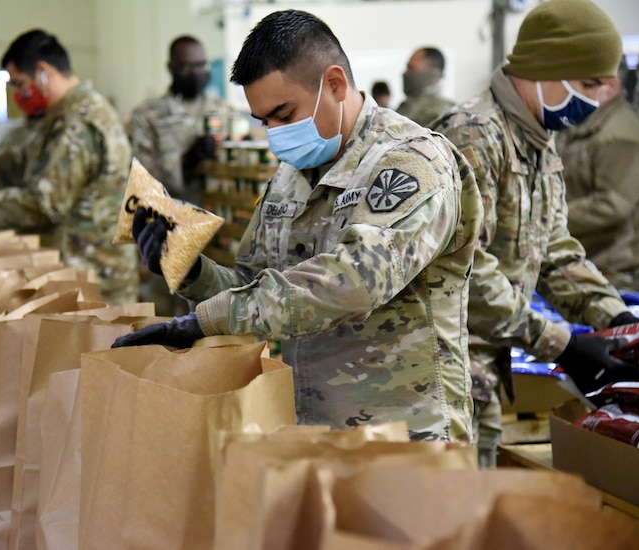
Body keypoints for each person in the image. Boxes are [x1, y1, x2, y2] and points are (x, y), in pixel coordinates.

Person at [114, 9, 484, 443]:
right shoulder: (290, 178)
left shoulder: (410, 163)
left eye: (284, 114)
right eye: (264, 121)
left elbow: (356, 280)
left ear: (335, 84)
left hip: (403, 442)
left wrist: (202, 322)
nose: (275, 134)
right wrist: (194, 273)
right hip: (311, 435)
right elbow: (256, 285)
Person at [432, 0, 639, 468]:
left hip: (487, 364)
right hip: (441, 371)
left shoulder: (536, 141)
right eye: (589, 84)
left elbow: (554, 250)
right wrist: (560, 342)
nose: (594, 98)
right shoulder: (473, 137)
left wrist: (616, 318)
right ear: (550, 68)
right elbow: (463, 267)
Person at [0, 29, 139, 305]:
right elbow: (16, 160)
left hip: (96, 280)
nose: (20, 95)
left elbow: (44, 205)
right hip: (80, 272)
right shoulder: (62, 117)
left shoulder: (78, 123)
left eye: (20, 83)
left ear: (43, 72)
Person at [128, 35, 233, 315]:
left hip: (216, 230)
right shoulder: (149, 115)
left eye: (201, 65)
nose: (196, 73)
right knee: (166, 310)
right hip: (167, 227)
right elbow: (143, 174)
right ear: (171, 67)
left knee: (213, 310)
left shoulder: (223, 111)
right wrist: (185, 162)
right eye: (187, 66)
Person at [556, 61, 639, 291]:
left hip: (616, 272)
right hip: (587, 261)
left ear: (610, 86)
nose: (570, 92)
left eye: (582, 85)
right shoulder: (586, 124)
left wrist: (553, 217)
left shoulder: (621, 133)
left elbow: (614, 204)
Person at [396, 47, 454, 127]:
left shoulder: (437, 112)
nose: (405, 72)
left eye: (411, 68)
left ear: (432, 71)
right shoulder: (408, 106)